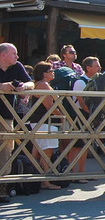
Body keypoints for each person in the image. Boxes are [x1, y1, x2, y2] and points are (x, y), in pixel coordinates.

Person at [0, 43, 33, 202]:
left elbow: (31, 82)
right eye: (14, 54)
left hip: (7, 115)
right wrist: (1, 86)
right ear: (3, 55)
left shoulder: (17, 66)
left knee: (6, 150)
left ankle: (2, 188)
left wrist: (23, 87)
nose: (17, 57)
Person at [28, 62, 64, 190]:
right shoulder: (43, 85)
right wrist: (62, 116)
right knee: (47, 151)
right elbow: (50, 106)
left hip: (38, 121)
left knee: (38, 150)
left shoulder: (39, 84)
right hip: (44, 122)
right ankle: (45, 180)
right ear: (44, 73)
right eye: (50, 71)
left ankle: (35, 179)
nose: (53, 73)